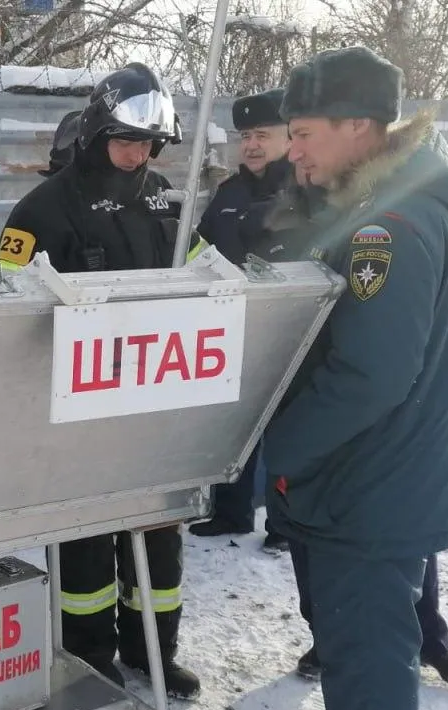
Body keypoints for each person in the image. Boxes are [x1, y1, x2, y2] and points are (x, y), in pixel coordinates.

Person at [261, 46, 448, 710]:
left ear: (357, 125)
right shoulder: (385, 202)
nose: (291, 151)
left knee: (368, 675)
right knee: (365, 659)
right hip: (376, 481)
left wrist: (277, 453)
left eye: (303, 133)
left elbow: (372, 373)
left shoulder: (389, 225)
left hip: (367, 490)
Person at [0, 62, 204, 701]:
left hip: (157, 399)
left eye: (146, 145)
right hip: (79, 408)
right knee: (85, 543)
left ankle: (155, 651)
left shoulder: (166, 194)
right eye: (124, 141)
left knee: (159, 536)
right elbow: (4, 311)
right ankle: (88, 654)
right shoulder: (41, 209)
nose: (136, 155)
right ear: (93, 132)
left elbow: (198, 275)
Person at [188, 87, 293, 552]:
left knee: (290, 430)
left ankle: (287, 526)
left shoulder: (305, 189)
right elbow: (199, 252)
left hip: (292, 330)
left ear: (291, 136)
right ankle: (231, 513)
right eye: (245, 135)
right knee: (233, 422)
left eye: (262, 134)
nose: (250, 144)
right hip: (231, 328)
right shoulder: (229, 193)